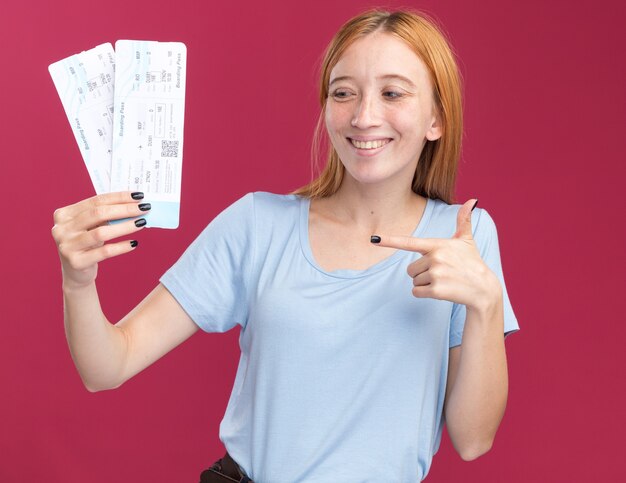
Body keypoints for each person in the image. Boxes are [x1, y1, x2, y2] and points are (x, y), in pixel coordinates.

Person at [51, 9, 518, 482]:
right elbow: (107, 367)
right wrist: (77, 282)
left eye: (392, 93)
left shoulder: (465, 238)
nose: (363, 116)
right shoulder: (257, 224)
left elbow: (474, 440)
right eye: (343, 93)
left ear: (436, 117)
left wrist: (485, 303)